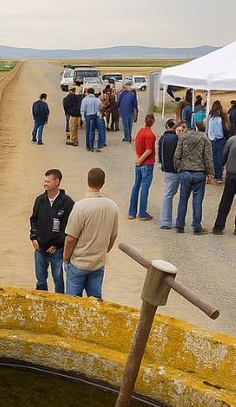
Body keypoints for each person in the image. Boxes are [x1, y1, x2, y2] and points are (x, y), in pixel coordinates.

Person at [64, 167, 120, 299]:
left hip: (79, 262)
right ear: (103, 183)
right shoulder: (112, 206)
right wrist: (104, 252)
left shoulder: (80, 207)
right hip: (98, 263)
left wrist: (66, 257)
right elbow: (113, 236)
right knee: (95, 302)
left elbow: (71, 238)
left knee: (73, 303)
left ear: (87, 181)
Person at [29, 169, 76, 292]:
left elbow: (70, 227)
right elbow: (34, 219)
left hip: (57, 251)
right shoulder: (40, 200)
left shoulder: (67, 203)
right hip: (40, 249)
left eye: (48, 181)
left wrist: (57, 244)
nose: (45, 183)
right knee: (40, 279)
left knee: (58, 280)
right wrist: (33, 237)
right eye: (44, 180)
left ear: (57, 182)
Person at [173, 120, 213, 234]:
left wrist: (179, 168)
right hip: (200, 172)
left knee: (183, 199)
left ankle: (180, 224)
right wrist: (210, 173)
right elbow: (208, 158)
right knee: (197, 201)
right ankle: (196, 226)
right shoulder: (205, 139)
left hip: (185, 171)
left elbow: (177, 155)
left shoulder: (184, 137)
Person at [129, 114, 157, 220]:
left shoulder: (140, 132)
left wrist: (138, 159)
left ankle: (132, 212)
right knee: (145, 187)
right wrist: (141, 160)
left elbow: (137, 146)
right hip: (147, 163)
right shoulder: (151, 135)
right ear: (153, 121)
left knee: (136, 185)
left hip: (139, 161)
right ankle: (142, 212)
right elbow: (149, 150)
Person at [157, 119, 182, 229]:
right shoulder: (176, 139)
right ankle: (166, 221)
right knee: (169, 194)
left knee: (168, 193)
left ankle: (166, 220)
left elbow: (159, 154)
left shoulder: (162, 138)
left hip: (166, 169)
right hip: (175, 170)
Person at [207, 100, 227, 183]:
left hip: (211, 139)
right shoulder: (223, 116)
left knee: (212, 158)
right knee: (219, 158)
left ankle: (214, 174)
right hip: (220, 139)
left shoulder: (210, 116)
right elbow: (226, 128)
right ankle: (219, 176)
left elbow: (207, 128)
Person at [81, 87, 105, 152]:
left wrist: (83, 117)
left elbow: (83, 109)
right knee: (97, 131)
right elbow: (101, 107)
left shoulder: (85, 100)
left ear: (88, 93)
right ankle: (99, 145)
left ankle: (88, 146)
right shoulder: (97, 100)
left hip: (88, 116)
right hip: (96, 115)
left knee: (88, 131)